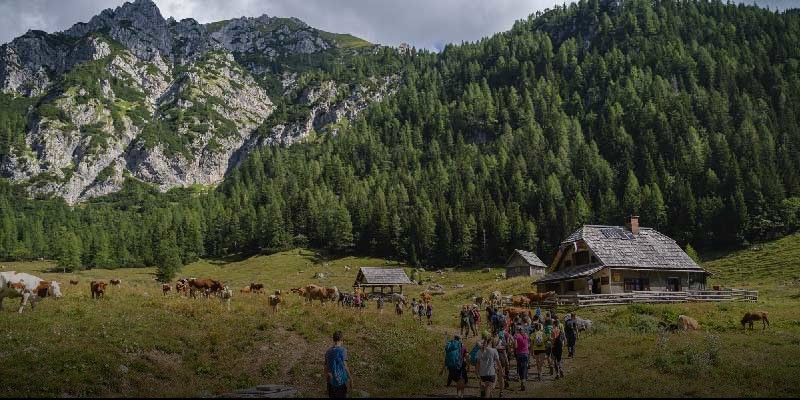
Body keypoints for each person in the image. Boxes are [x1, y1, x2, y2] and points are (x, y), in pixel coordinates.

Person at [324, 331, 353, 398]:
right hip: (340, 382)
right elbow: (345, 366)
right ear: (342, 339)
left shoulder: (328, 352)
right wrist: (351, 379)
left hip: (331, 383)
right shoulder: (343, 350)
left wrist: (327, 381)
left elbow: (325, 369)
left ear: (333, 339)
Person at [475, 333, 502, 398]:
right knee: (488, 389)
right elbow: (498, 362)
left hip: (482, 374)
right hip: (491, 373)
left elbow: (477, 363)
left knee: (489, 390)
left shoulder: (479, 351)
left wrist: (477, 372)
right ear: (490, 342)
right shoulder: (494, 351)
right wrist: (501, 371)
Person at [511, 326, 530, 391]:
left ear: (518, 330)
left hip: (519, 354)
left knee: (519, 367)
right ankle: (523, 381)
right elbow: (528, 345)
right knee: (524, 367)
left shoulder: (516, 336)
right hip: (526, 353)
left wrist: (513, 347)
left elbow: (515, 346)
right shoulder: (526, 335)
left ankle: (520, 378)